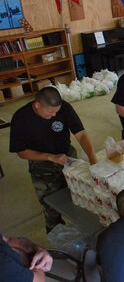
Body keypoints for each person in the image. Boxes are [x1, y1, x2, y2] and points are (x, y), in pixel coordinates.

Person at [9, 86, 97, 233]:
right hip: (42, 164)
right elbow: (22, 152)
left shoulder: (64, 108)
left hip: (67, 156)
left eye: (56, 111)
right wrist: (50, 157)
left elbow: (81, 134)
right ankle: (55, 233)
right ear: (37, 105)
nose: (54, 115)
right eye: (50, 112)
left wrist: (93, 159)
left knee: (79, 195)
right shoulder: (21, 118)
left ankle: (82, 230)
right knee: (50, 204)